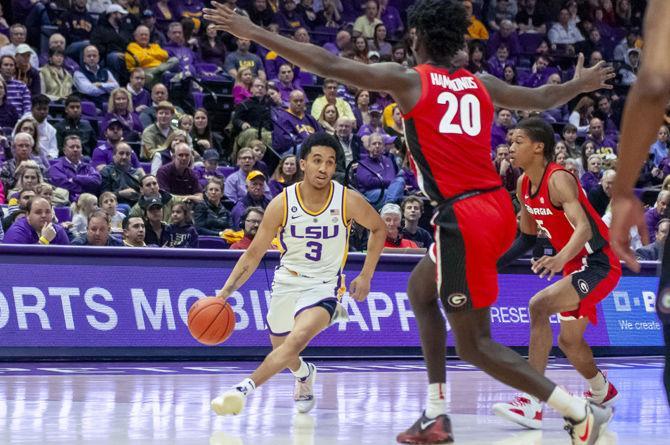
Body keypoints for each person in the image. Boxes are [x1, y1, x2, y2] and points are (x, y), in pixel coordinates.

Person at [203, 0, 616, 442]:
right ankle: (435, 414)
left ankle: (574, 410)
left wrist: (255, 32)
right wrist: (579, 83)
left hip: (463, 214)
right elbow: (541, 99)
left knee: (474, 344)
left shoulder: (410, 81)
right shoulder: (481, 83)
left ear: (416, 38)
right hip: (493, 207)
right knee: (420, 290)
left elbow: (327, 61)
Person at [208, 131, 386, 416]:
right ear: (303, 164)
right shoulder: (282, 203)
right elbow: (253, 253)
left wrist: (366, 275)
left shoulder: (346, 200)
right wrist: (226, 292)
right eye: (317, 160)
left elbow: (379, 228)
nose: (324, 168)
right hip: (287, 282)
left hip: (324, 286)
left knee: (296, 339)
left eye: (329, 162)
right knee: (285, 351)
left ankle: (241, 390)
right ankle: (304, 374)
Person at [493, 117, 622, 429]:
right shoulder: (524, 184)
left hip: (598, 263)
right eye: (511, 141)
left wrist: (557, 258)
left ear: (539, 147)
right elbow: (525, 237)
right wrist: (491, 267)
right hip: (573, 263)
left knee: (538, 305)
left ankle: (532, 401)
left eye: (518, 141)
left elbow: (582, 228)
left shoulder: (558, 179)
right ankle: (602, 391)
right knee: (569, 342)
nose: (510, 148)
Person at [48, 135, 102, 202]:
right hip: (69, 203)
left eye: (78, 147)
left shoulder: (88, 167)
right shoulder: (56, 168)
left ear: (81, 150)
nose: (75, 149)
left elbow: (97, 181)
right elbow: (64, 186)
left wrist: (75, 178)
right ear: (64, 150)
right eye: (72, 147)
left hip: (90, 204)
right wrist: (86, 185)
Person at [2, 197, 70, 245]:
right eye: (38, 212)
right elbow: (19, 264)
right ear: (28, 215)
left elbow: (68, 261)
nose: (44, 215)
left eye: (48, 212)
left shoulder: (58, 231)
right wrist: (44, 240)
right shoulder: (17, 232)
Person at [273, 90, 321, 154]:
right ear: (290, 101)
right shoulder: (283, 118)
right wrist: (309, 144)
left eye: (301, 101)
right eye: (295, 101)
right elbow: (284, 141)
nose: (299, 103)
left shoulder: (310, 118)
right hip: (291, 152)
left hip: (313, 149)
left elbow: (321, 135)